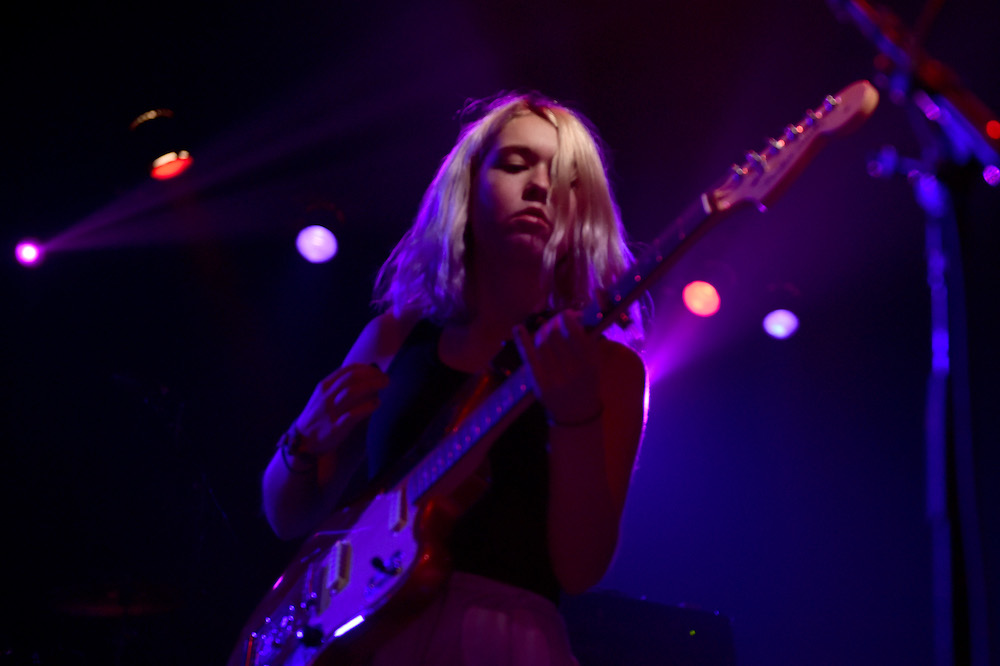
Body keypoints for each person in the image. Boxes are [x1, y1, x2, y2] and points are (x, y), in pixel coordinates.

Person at [262, 92, 648, 665]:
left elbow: (581, 568)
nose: (540, 186)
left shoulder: (609, 368)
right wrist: (303, 439)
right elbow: (287, 517)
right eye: (515, 164)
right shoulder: (395, 337)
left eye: (566, 179)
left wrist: (575, 417)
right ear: (467, 186)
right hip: (368, 637)